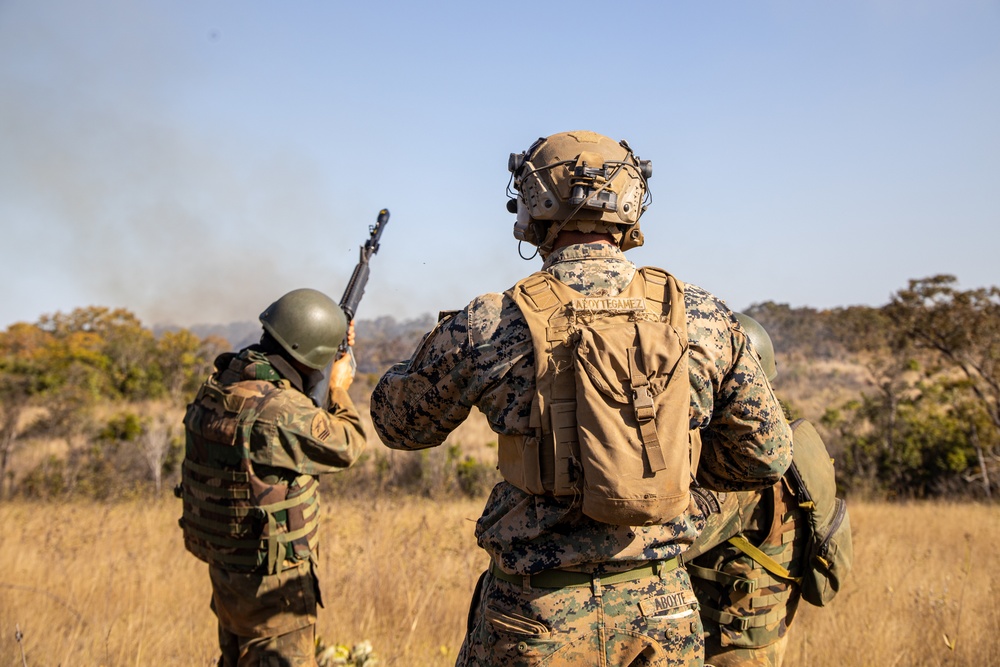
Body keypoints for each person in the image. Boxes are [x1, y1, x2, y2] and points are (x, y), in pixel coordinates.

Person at [369, 130, 793, 667]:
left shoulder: (490, 321)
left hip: (533, 615)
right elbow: (767, 456)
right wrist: (666, 465)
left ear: (531, 207)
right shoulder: (704, 317)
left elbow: (397, 425)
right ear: (632, 205)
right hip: (662, 612)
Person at [178, 288, 366, 667]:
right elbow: (349, 444)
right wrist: (337, 387)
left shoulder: (221, 387)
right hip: (274, 595)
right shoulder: (280, 411)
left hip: (230, 577)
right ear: (307, 356)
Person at [684, 313, 851, 667]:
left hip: (726, 648)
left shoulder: (740, 470)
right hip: (766, 636)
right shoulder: (790, 441)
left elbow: (669, 543)